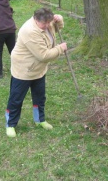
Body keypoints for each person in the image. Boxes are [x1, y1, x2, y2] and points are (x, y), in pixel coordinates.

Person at [4, 8, 68, 138]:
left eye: (48, 23)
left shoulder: (45, 22)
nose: (46, 26)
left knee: (40, 96)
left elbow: (55, 28)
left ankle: (40, 120)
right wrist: (60, 49)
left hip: (38, 69)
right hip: (24, 69)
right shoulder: (30, 31)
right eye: (44, 24)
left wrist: (59, 20)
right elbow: (43, 55)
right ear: (36, 19)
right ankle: (10, 124)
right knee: (16, 98)